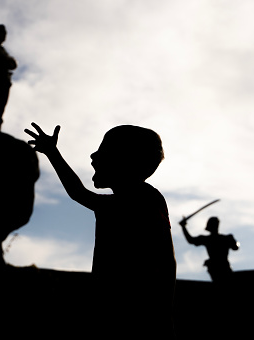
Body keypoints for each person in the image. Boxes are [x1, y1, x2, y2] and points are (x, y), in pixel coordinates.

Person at [25, 123, 176, 338]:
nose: (93, 155)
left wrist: (52, 153)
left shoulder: (141, 201)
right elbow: (167, 260)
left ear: (125, 161)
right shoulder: (141, 200)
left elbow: (78, 193)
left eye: (103, 151)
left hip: (131, 319)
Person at [179, 216, 239, 282]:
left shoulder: (224, 238)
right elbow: (191, 240)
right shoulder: (211, 239)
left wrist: (183, 227)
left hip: (223, 267)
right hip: (216, 267)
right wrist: (183, 227)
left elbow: (235, 247)